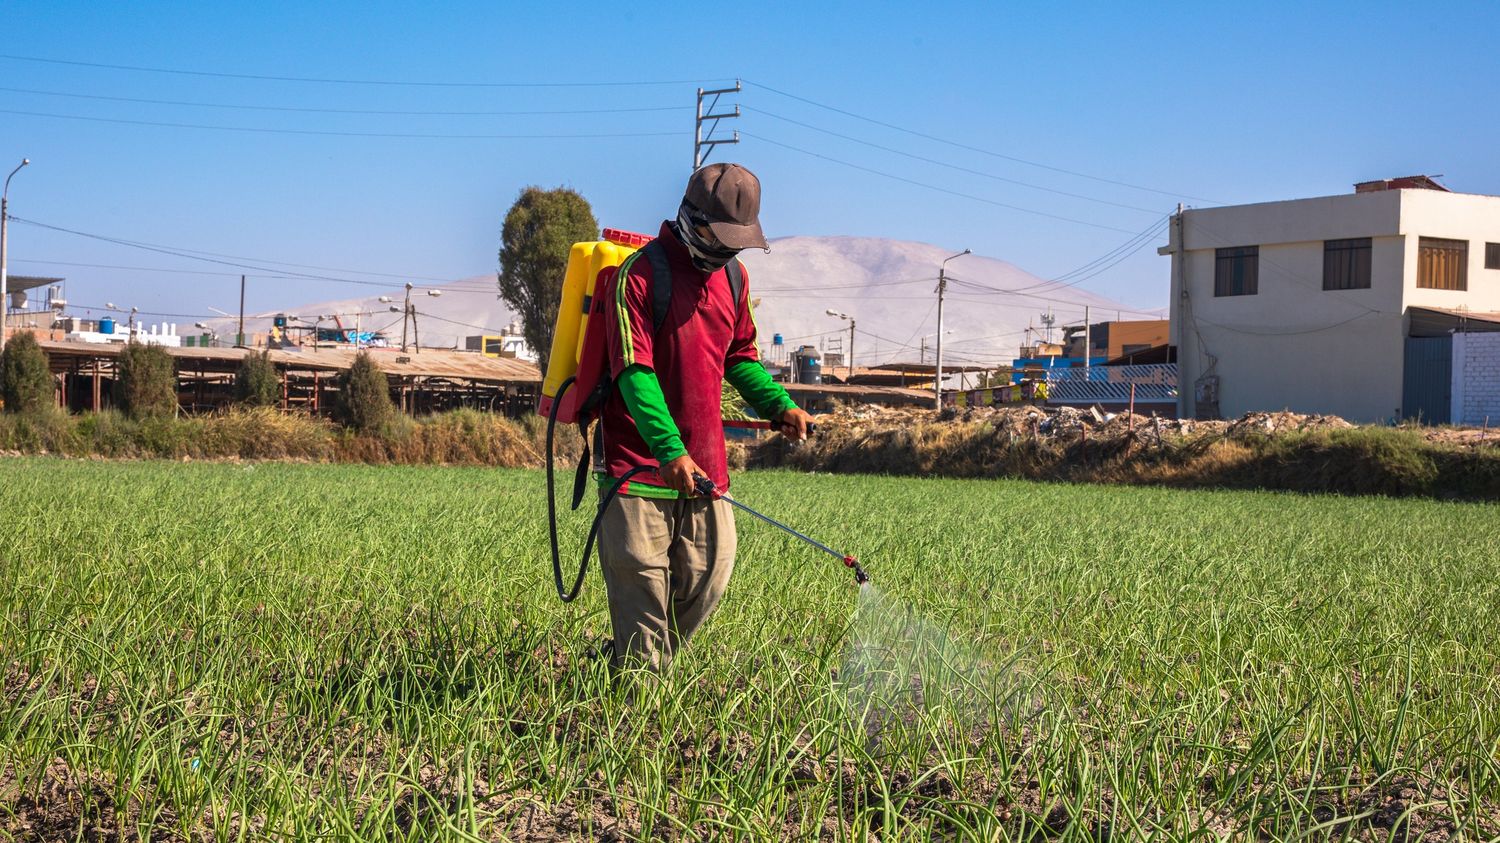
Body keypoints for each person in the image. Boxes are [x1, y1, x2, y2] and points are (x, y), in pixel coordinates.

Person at [598, 162, 812, 672]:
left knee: (708, 579)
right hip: (637, 468)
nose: (727, 253)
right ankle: (636, 699)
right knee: (642, 598)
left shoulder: (734, 278)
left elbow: (740, 355)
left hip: (706, 468)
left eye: (737, 244)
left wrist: (777, 404)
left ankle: (625, 665)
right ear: (691, 220)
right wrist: (669, 450)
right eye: (721, 240)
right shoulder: (639, 276)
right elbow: (633, 371)